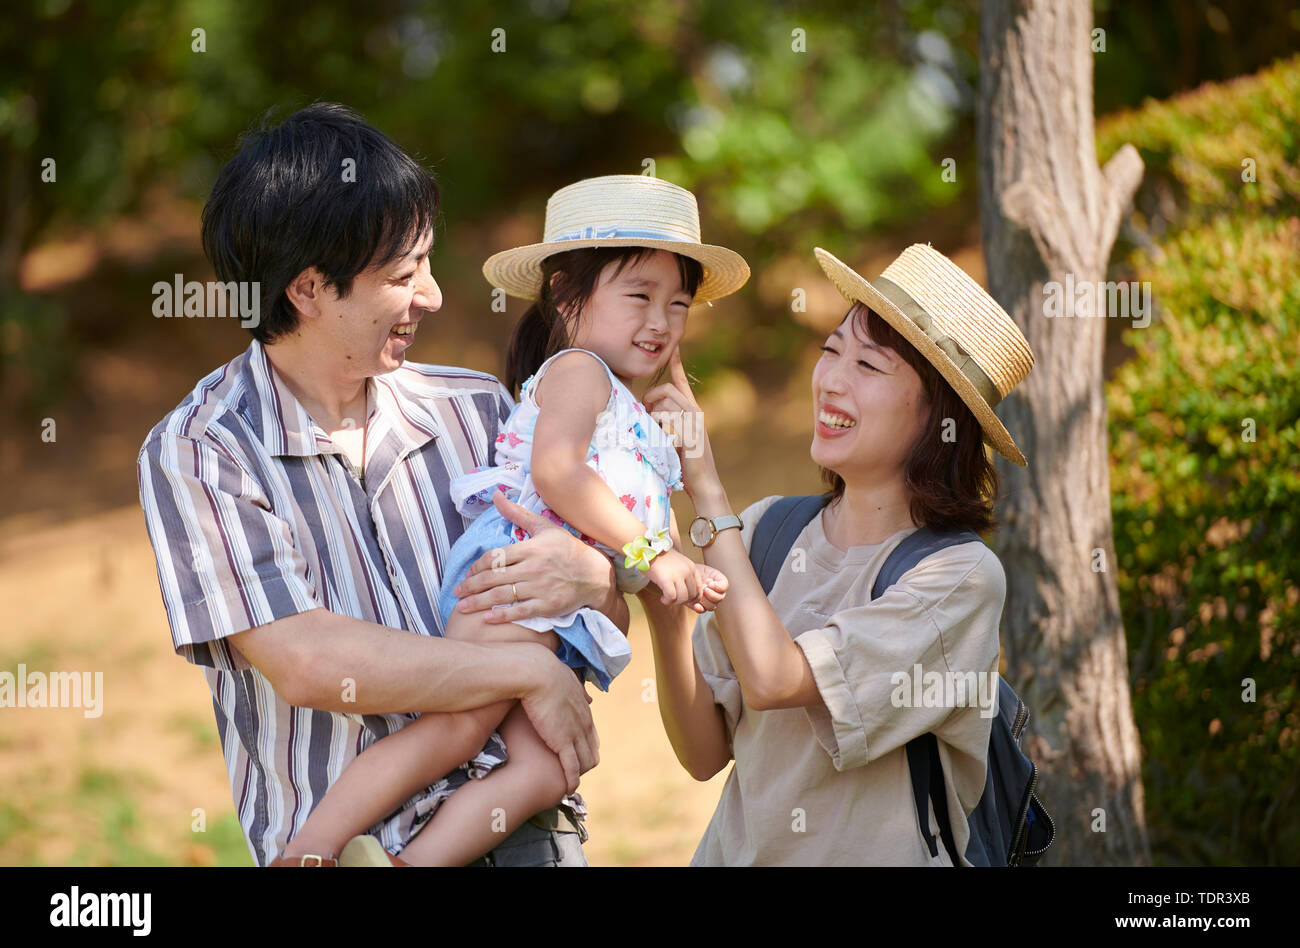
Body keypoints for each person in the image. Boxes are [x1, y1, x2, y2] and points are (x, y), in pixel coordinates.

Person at [137, 103, 620, 867]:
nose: (431, 295)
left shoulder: (480, 411)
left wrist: (596, 576)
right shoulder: (202, 450)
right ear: (307, 290)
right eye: (403, 275)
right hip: (343, 851)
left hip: (523, 832)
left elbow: (593, 607)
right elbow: (309, 662)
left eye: (427, 262)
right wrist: (521, 671)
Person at [282, 174, 749, 866]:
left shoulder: (634, 416)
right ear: (567, 296)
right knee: (458, 729)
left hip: (555, 628)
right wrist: (654, 552)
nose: (660, 321)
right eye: (640, 297)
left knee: (549, 772)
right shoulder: (579, 372)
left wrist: (677, 485)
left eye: (678, 305)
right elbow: (559, 473)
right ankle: (309, 852)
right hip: (509, 585)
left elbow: (623, 573)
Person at [628, 243, 1036, 865]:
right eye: (831, 350)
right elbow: (705, 754)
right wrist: (663, 612)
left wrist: (705, 483)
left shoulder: (959, 578)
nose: (831, 381)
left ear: (938, 416)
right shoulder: (765, 532)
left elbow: (772, 678)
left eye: (869, 366)